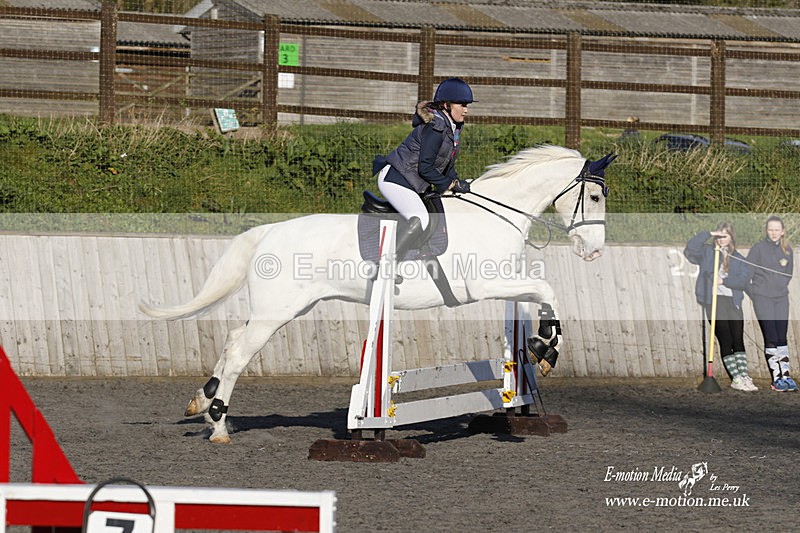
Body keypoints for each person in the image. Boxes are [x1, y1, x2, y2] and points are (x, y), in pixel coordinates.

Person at [373, 77, 474, 259]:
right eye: (461, 104)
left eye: (466, 105)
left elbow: (446, 164)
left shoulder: (453, 127)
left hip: (412, 181)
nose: (465, 110)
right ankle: (385, 264)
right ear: (446, 105)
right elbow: (425, 168)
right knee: (421, 218)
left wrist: (456, 181)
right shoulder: (436, 127)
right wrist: (449, 185)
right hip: (396, 179)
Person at [684, 223, 758, 391]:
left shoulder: (738, 258)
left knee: (737, 339)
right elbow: (691, 247)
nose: (722, 239)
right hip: (714, 301)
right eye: (719, 236)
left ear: (731, 238)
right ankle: (736, 378)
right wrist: (709, 233)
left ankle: (744, 375)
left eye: (725, 236)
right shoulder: (707, 253)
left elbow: (743, 280)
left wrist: (725, 281)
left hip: (732, 301)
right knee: (725, 338)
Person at [746, 215, 797, 391]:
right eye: (770, 229)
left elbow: (788, 274)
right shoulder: (758, 249)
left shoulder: (788, 250)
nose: (774, 233)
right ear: (766, 231)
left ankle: (786, 375)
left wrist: (780, 287)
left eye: (777, 230)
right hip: (763, 298)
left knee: (782, 336)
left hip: (781, 298)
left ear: (782, 232)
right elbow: (747, 275)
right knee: (771, 336)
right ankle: (777, 377)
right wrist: (757, 293)